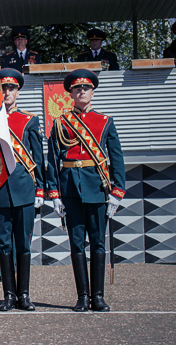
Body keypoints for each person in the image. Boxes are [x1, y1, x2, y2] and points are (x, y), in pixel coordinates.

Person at [47, 69, 125, 312]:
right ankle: (82, 296)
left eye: (86, 88)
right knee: (77, 243)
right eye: (77, 89)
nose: (81, 92)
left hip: (97, 187)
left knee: (98, 243)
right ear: (70, 93)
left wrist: (117, 191)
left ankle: (98, 297)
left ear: (92, 92)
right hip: (70, 188)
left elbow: (117, 158)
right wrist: (54, 192)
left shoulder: (105, 122)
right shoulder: (61, 123)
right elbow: (52, 160)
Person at [0, 68, 45, 311]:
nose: (7, 92)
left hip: (23, 188)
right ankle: (8, 295)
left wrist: (41, 189)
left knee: (23, 244)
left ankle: (24, 294)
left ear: (18, 92)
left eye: (11, 88)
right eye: (3, 88)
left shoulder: (29, 120)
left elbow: (38, 158)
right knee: (3, 245)